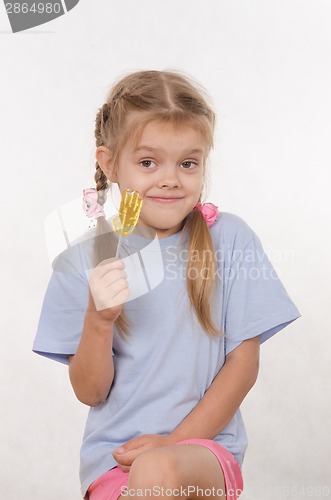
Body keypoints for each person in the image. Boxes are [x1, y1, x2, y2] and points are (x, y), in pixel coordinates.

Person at [33, 69, 301, 500]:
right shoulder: (84, 259)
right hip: (114, 461)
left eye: (188, 163)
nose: (170, 179)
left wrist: (172, 444)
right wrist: (99, 321)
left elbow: (243, 367)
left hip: (204, 452)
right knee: (146, 477)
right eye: (147, 162)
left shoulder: (229, 239)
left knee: (158, 471)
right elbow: (90, 391)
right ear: (109, 163)